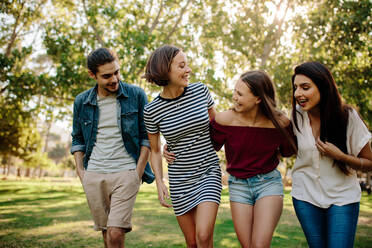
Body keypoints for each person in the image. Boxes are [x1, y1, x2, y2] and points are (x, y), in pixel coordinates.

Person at [165, 70, 297, 248]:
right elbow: (202, 143)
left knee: (259, 246)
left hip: (268, 184)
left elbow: (288, 151)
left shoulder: (280, 123)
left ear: (258, 99)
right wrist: (171, 146)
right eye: (235, 91)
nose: (234, 97)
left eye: (240, 94)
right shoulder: (224, 120)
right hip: (239, 186)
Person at [70, 47, 154, 248]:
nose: (114, 79)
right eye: (106, 76)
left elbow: (146, 136)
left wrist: (137, 172)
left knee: (116, 233)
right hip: (94, 174)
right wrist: (81, 171)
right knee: (107, 235)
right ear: (93, 75)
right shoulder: (82, 101)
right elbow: (77, 138)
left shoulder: (136, 95)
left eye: (116, 72)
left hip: (126, 172)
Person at [143, 45, 222, 248]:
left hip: (208, 172)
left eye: (187, 65)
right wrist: (160, 181)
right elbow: (155, 149)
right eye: (182, 66)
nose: (188, 70)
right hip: (179, 180)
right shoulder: (152, 110)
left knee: (204, 235)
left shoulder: (200, 91)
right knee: (192, 243)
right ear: (165, 70)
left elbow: (219, 126)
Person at [290, 61, 372, 248]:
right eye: (296, 88)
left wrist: (341, 156)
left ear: (323, 86)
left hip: (342, 197)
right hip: (306, 196)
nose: (298, 94)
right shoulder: (296, 116)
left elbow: (370, 162)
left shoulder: (347, 117)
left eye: (305, 87)